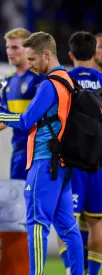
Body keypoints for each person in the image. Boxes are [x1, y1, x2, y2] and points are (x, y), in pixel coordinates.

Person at [0, 31, 84, 275]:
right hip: (64, 163)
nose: (32, 65)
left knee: (37, 225)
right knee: (69, 229)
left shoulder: (49, 84)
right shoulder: (69, 81)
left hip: (45, 162)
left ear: (46, 54)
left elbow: (26, 121)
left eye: (34, 59)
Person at [63, 31, 102, 275]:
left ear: (70, 54)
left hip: (73, 162)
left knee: (68, 221)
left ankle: (71, 271)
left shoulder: (63, 80)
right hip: (98, 162)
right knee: (97, 221)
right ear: (95, 52)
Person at [0, 28, 44, 180]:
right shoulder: (8, 81)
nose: (10, 52)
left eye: (15, 47)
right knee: (18, 198)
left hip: (39, 150)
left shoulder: (40, 79)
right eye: (7, 47)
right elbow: (4, 118)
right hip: (18, 149)